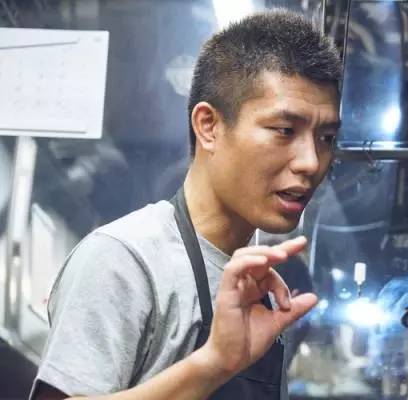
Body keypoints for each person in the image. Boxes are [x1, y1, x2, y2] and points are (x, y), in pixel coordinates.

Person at [30, 9, 342, 400]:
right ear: (209, 126)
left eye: (326, 138)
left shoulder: (263, 280)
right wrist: (213, 363)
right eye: (284, 130)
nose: (311, 162)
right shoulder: (123, 260)